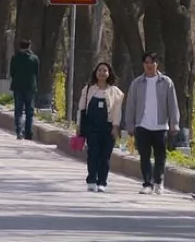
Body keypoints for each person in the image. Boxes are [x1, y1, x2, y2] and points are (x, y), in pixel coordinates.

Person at [121, 52, 180, 195]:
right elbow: (131, 105)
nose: (149, 65)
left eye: (152, 62)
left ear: (157, 64)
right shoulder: (137, 83)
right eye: (146, 62)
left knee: (160, 155)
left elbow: (172, 104)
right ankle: (147, 183)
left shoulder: (166, 82)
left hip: (160, 125)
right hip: (142, 124)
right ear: (143, 64)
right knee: (145, 156)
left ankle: (159, 182)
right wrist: (130, 124)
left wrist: (174, 123)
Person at [76, 62, 124, 192]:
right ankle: (91, 179)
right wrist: (79, 125)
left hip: (107, 128)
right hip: (91, 127)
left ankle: (102, 181)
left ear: (109, 73)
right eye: (99, 70)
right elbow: (81, 108)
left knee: (105, 156)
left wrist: (115, 126)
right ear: (95, 73)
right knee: (93, 154)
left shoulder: (116, 92)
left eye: (105, 71)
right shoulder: (88, 90)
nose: (102, 73)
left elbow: (117, 111)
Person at [9, 40, 39, 140]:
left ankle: (19, 131)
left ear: (20, 47)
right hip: (30, 87)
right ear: (29, 46)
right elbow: (36, 72)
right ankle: (28, 132)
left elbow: (12, 72)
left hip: (18, 86)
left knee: (18, 110)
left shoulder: (15, 58)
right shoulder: (34, 58)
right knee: (29, 111)